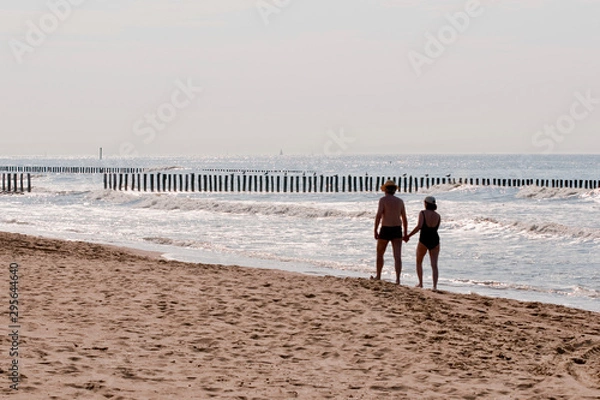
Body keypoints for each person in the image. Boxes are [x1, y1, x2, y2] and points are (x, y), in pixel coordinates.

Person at [373, 180, 408, 284]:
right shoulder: (400, 201)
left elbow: (379, 215)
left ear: (386, 190)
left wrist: (375, 229)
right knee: (397, 256)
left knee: (380, 253)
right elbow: (404, 218)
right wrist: (405, 233)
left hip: (386, 228)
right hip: (397, 228)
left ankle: (378, 275)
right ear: (394, 190)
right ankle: (397, 279)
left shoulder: (383, 200)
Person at [405, 196, 441, 290]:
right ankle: (434, 286)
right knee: (434, 264)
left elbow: (419, 227)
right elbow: (436, 229)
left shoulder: (422, 213)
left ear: (426, 203)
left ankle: (421, 283)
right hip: (435, 239)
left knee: (419, 261)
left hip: (424, 239)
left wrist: (408, 235)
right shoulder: (438, 216)